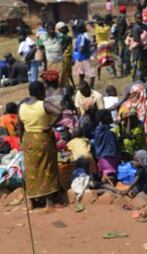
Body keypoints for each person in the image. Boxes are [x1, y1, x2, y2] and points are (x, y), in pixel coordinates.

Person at [18, 81, 62, 209]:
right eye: (43, 91)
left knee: (32, 170)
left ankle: (32, 201)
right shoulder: (43, 105)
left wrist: (22, 142)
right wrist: (50, 126)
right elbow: (59, 112)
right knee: (46, 167)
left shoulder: (22, 106)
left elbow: (20, 128)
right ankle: (49, 201)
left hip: (28, 140)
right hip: (43, 139)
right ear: (39, 92)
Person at [94, 109, 120, 184]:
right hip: (108, 160)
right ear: (104, 118)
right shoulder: (102, 130)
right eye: (109, 116)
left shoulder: (103, 130)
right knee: (110, 179)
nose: (111, 117)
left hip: (107, 159)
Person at [94, 16, 117, 80]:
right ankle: (115, 75)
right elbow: (106, 29)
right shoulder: (104, 28)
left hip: (101, 46)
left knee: (102, 61)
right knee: (109, 60)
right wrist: (109, 24)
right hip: (105, 45)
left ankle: (99, 77)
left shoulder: (97, 27)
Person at [73, 21, 95, 88]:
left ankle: (80, 89)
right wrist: (89, 47)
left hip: (78, 59)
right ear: (82, 28)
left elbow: (76, 48)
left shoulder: (77, 37)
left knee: (81, 75)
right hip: (84, 59)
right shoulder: (82, 37)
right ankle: (91, 89)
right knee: (92, 75)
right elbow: (81, 49)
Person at [131, 12, 147, 81]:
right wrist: (144, 46)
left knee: (145, 66)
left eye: (140, 18)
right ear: (135, 19)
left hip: (145, 50)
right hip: (138, 51)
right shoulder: (135, 28)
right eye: (138, 18)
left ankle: (144, 79)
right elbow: (137, 40)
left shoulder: (145, 26)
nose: (139, 20)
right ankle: (138, 81)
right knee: (138, 67)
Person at [43, 21, 64, 86]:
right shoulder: (43, 38)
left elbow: (68, 39)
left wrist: (62, 49)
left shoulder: (60, 35)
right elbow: (40, 47)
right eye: (49, 29)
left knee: (60, 81)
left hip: (60, 62)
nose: (51, 30)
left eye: (52, 28)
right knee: (51, 80)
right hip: (50, 63)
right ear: (46, 30)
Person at [56, 22, 75, 87]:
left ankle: (72, 86)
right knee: (66, 73)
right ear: (59, 29)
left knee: (69, 73)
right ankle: (68, 87)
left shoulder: (67, 37)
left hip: (69, 56)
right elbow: (61, 48)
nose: (65, 28)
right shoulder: (61, 37)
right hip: (65, 56)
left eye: (65, 27)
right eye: (62, 28)